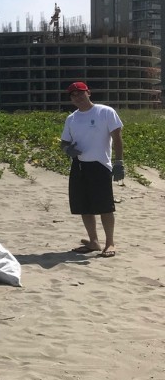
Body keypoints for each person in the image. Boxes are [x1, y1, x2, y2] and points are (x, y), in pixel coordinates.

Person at [60, 81, 123, 258]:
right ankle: (93, 241)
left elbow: (117, 138)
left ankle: (110, 242)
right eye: (73, 95)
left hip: (100, 165)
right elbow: (64, 141)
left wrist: (119, 162)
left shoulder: (105, 112)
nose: (77, 97)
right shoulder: (72, 118)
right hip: (79, 165)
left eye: (80, 93)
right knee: (84, 206)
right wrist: (67, 149)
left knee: (105, 206)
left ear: (89, 93)